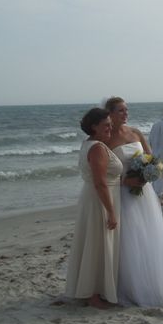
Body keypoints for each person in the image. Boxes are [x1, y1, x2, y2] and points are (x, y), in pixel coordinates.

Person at [105, 97, 163, 307]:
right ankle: (129, 286)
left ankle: (154, 282)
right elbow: (105, 170)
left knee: (149, 234)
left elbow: (152, 158)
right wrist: (125, 180)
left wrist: (149, 173)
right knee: (130, 239)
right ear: (110, 113)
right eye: (120, 111)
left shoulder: (135, 132)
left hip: (143, 192)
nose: (125, 114)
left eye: (126, 110)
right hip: (122, 193)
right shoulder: (107, 138)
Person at [65, 108, 121, 309]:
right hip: (99, 201)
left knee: (94, 243)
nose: (110, 128)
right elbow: (100, 183)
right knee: (97, 245)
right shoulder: (97, 148)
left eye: (110, 125)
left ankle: (95, 290)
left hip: (93, 198)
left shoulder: (88, 144)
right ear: (94, 126)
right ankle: (93, 294)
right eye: (106, 125)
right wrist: (111, 211)